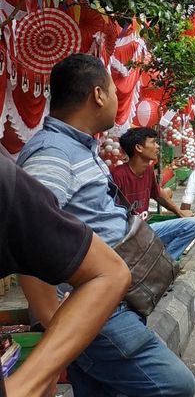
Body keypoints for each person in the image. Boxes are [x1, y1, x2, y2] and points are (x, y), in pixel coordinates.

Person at [18, 53, 195, 397]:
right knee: (176, 385)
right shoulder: (51, 155)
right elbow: (28, 241)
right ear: (98, 95)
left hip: (110, 299)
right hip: (93, 308)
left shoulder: (77, 148)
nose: (117, 98)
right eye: (114, 90)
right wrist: (59, 328)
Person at [3, 152, 131, 397]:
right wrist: (41, 372)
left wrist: (41, 372)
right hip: (77, 302)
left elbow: (110, 273)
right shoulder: (50, 155)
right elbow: (109, 272)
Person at [110, 127, 195, 260]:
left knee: (192, 225)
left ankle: (165, 263)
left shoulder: (148, 171)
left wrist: (179, 213)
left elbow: (158, 195)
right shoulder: (118, 175)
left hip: (145, 230)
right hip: (125, 236)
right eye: (153, 142)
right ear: (139, 148)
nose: (157, 147)